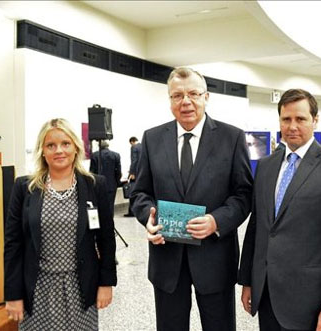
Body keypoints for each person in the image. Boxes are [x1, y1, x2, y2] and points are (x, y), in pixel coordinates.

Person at [131, 67, 252, 331]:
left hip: (215, 259)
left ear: (206, 97)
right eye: (177, 96)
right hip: (167, 260)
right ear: (170, 100)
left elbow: (243, 194)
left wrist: (216, 221)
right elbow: (140, 193)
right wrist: (148, 218)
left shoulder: (231, 137)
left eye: (193, 94)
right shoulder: (152, 138)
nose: (186, 101)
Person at [238, 89, 321, 331]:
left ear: (315, 120)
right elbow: (258, 227)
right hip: (267, 295)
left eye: (301, 119)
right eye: (286, 119)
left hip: (310, 302)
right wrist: (248, 280)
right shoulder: (266, 166)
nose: (292, 126)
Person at [4, 118, 117, 330]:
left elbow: (106, 240)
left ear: (76, 148)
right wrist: (13, 294)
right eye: (51, 145)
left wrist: (106, 283)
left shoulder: (94, 185)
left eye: (65, 144)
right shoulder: (24, 188)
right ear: (42, 151)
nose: (59, 150)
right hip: (37, 290)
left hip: (81, 288)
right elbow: (13, 245)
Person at [90, 140, 122, 216]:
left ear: (99, 146)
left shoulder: (95, 155)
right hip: (111, 184)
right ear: (108, 146)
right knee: (110, 205)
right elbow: (118, 171)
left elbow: (92, 172)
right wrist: (117, 182)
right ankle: (110, 223)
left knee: (99, 205)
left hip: (98, 185)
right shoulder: (116, 155)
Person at [124, 136, 141, 217]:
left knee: (132, 192)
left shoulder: (134, 147)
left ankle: (132, 211)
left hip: (136, 174)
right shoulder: (143, 146)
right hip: (142, 174)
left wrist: (132, 173)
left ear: (132, 142)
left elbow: (134, 161)